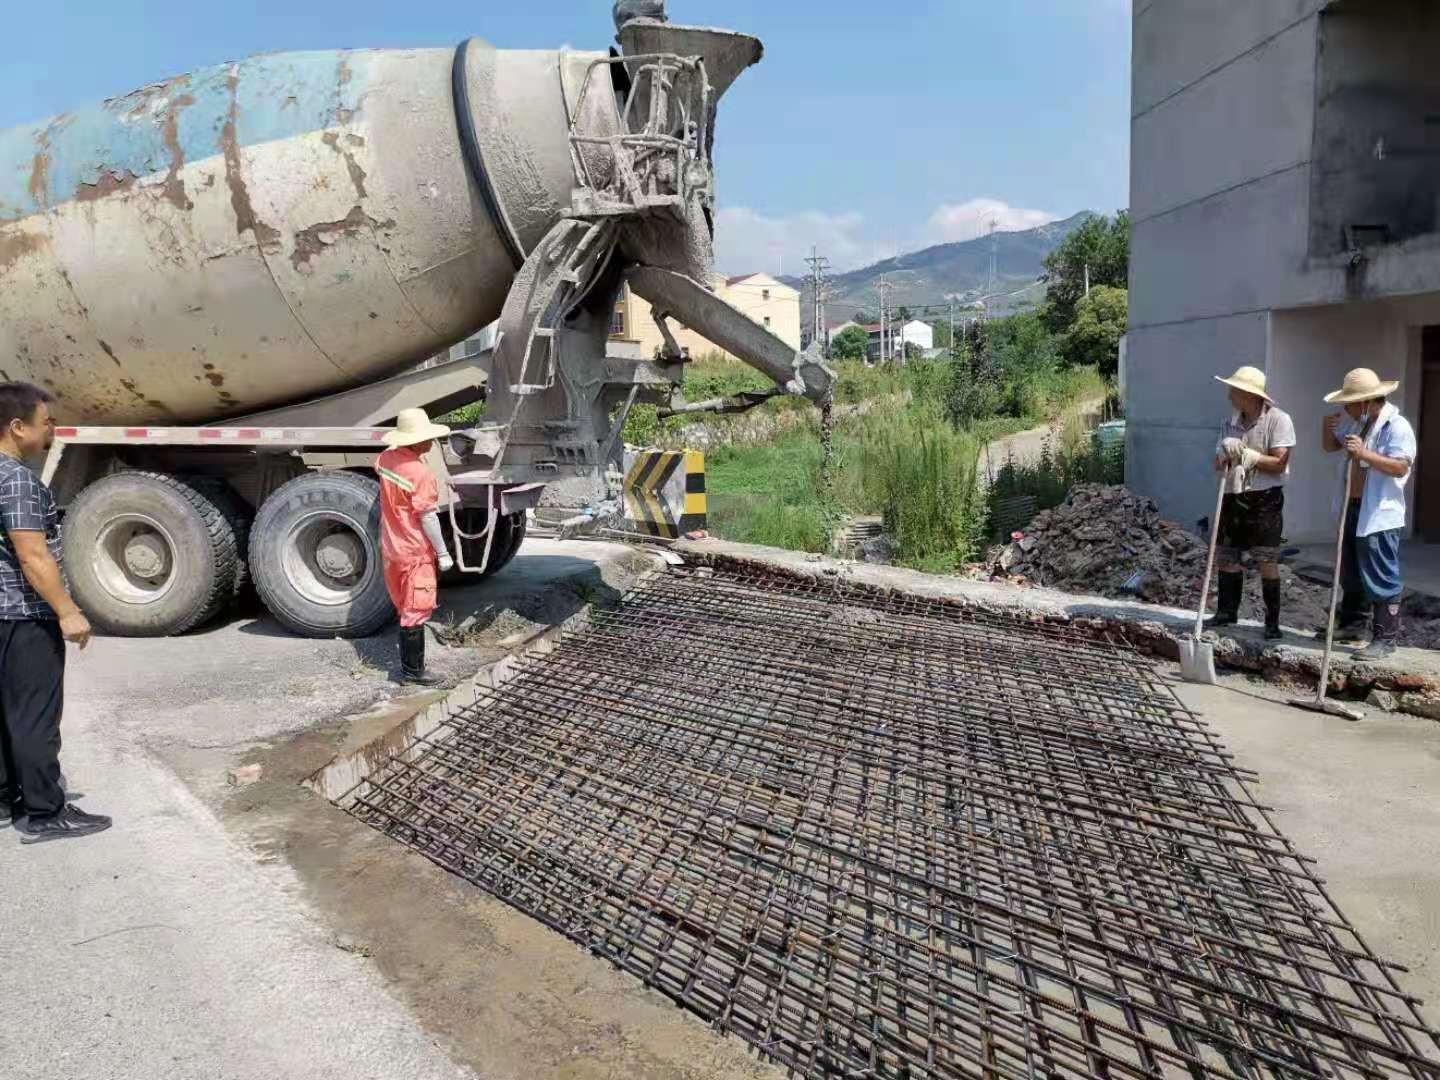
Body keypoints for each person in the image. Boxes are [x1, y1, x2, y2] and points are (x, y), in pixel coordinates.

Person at [0, 382, 112, 843]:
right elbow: (33, 556)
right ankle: (46, 813)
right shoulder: (18, 480)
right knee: (34, 716)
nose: (52, 430)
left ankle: (7, 798)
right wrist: (67, 611)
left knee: (4, 712)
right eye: (47, 423)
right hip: (23, 616)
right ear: (17, 426)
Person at [1319, 368, 1416, 661]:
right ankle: (1352, 623)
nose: (1344, 408)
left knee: (1380, 572)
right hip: (1354, 506)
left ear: (1364, 400)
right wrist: (1327, 426)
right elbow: (1331, 446)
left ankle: (1385, 638)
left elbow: (1400, 466)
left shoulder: (1396, 427)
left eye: (1348, 402)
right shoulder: (1361, 423)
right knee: (1351, 568)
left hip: (1378, 512)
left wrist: (1364, 455)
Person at [1207, 366, 1296, 640]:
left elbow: (1281, 463)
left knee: (1266, 558)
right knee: (1227, 555)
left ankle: (1272, 623)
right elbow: (1217, 465)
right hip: (1234, 492)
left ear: (1249, 394)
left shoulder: (1278, 420)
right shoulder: (1230, 422)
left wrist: (1250, 455)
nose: (1230, 394)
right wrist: (1224, 453)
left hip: (1265, 497)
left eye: (1234, 389)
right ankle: (1226, 611)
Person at [376, 408, 456, 685]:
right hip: (414, 550)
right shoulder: (421, 473)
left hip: (391, 547)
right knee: (416, 609)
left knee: (402, 604)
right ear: (417, 441)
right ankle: (413, 672)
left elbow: (384, 466)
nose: (432, 442)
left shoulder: (385, 459)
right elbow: (427, 516)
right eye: (428, 438)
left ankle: (412, 668)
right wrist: (443, 553)